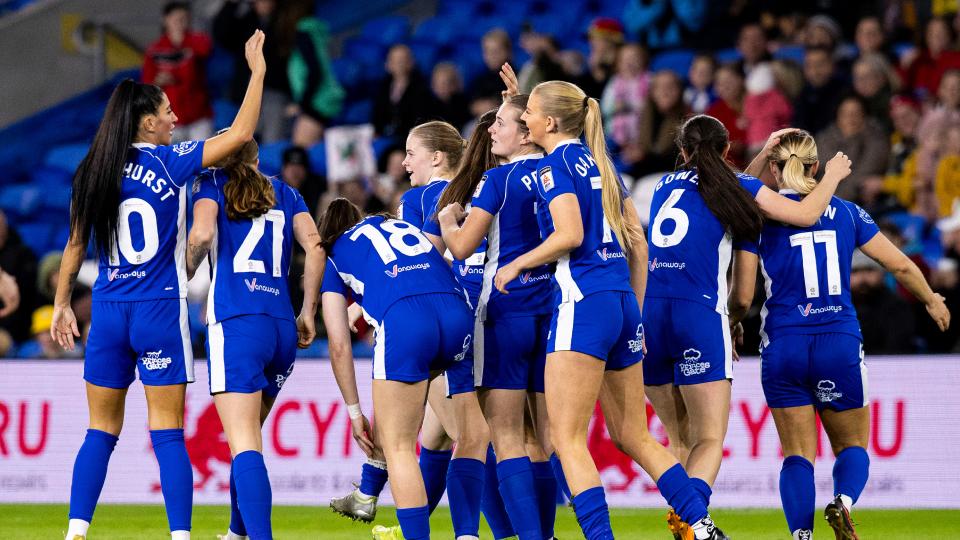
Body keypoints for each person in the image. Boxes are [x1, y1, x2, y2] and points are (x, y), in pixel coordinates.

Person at [49, 30, 267, 540]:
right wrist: (256, 74)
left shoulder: (94, 170)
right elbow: (238, 135)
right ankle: (180, 536)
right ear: (147, 122)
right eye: (167, 111)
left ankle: (76, 532)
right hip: (157, 311)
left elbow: (76, 246)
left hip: (106, 310)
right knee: (167, 433)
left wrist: (62, 303)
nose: (174, 118)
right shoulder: (170, 162)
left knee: (99, 432)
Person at [493, 80, 726, 540]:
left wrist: (517, 263)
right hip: (620, 300)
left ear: (551, 122)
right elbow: (636, 242)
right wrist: (633, 308)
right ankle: (701, 525)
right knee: (635, 436)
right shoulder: (600, 163)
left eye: (530, 113)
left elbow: (570, 234)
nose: (523, 119)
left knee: (566, 439)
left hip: (581, 303)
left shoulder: (552, 166)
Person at [728, 130, 950, 540]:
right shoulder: (848, 212)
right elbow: (899, 266)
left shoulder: (757, 220)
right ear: (816, 167)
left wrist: (733, 322)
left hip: (784, 344)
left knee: (797, 455)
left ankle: (801, 535)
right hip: (837, 341)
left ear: (774, 170)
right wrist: (932, 299)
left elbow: (742, 294)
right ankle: (843, 503)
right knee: (852, 447)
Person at [642, 117, 851, 539]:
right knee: (707, 440)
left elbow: (722, 182)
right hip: (698, 317)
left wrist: (757, 157)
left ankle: (686, 522)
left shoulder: (664, 185)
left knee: (679, 442)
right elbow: (807, 214)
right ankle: (696, 524)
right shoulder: (737, 189)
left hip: (650, 319)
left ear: (681, 151)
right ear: (725, 149)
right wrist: (833, 175)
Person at [186, 135, 323, 540]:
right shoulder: (287, 192)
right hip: (281, 325)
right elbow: (315, 247)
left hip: (236, 321)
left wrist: (185, 272)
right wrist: (308, 310)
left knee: (244, 441)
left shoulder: (211, 185)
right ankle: (237, 532)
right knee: (247, 439)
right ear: (259, 157)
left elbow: (202, 236)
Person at [317, 198, 478, 540]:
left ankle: (382, 504)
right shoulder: (401, 226)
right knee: (465, 434)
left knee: (400, 446)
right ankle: (466, 533)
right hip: (459, 316)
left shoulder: (334, 253)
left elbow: (339, 344)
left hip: (407, 324)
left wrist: (354, 411)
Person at [438, 94, 558, 540]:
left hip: (502, 313)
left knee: (505, 437)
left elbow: (462, 247)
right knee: (541, 442)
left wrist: (450, 219)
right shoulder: (557, 172)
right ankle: (546, 534)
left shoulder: (497, 179)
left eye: (502, 123)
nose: (491, 130)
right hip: (549, 312)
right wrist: (514, 96)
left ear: (527, 132)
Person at [143, 1, 213, 143]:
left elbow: (207, 49)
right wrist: (159, 81)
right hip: (169, 119)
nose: (179, 23)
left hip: (198, 117)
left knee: (204, 161)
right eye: (176, 18)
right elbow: (146, 84)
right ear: (165, 19)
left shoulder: (196, 42)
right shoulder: (155, 49)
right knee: (170, 162)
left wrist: (184, 41)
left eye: (184, 19)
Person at [288, 15, 345, 147]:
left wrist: (302, 103)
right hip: (322, 102)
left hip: (317, 105)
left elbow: (315, 71)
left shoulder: (303, 34)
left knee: (300, 152)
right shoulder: (314, 33)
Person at [372, 44, 433, 139]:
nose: (398, 64)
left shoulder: (420, 88)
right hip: (386, 136)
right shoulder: (383, 86)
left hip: (408, 138)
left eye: (401, 60)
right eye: (393, 60)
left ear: (410, 62)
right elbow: (377, 115)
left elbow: (420, 121)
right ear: (388, 64)